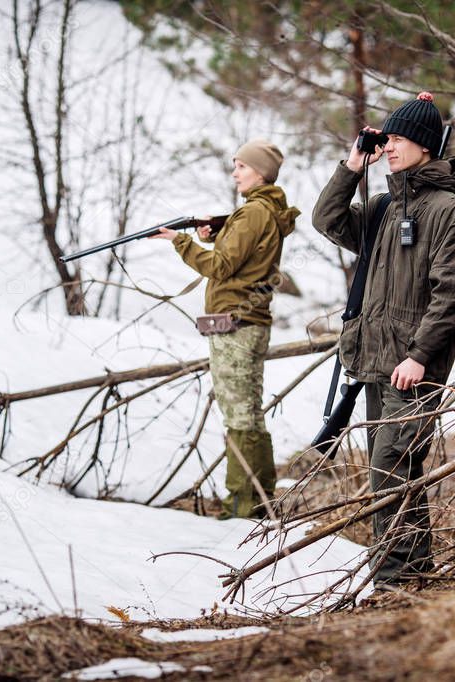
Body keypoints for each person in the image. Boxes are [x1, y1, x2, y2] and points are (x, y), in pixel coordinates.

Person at [311, 92, 455, 589]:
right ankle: (414, 570)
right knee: (396, 472)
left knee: (390, 466)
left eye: (400, 138)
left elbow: (452, 297)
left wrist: (420, 356)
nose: (392, 146)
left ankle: (395, 580)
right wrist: (353, 165)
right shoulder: (383, 207)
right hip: (378, 364)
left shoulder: (447, 211)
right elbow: (328, 220)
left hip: (414, 368)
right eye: (388, 139)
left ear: (426, 146)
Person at [152, 139, 300, 518]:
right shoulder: (263, 211)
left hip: (236, 326)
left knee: (239, 415)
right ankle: (258, 498)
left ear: (261, 172)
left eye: (241, 167)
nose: (235, 173)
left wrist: (181, 242)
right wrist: (216, 234)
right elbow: (243, 255)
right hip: (245, 323)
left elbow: (221, 268)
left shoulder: (252, 213)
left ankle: (243, 506)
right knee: (247, 412)